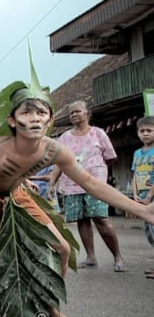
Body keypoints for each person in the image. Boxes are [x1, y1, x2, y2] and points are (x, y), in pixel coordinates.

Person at [0, 82, 154, 317]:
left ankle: (51, 309)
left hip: (17, 196)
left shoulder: (54, 150)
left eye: (41, 113)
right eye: (26, 113)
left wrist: (143, 211)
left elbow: (91, 183)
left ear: (50, 120)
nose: (35, 119)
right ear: (12, 120)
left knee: (62, 248)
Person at [49, 100, 127, 271]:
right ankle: (90, 257)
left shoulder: (98, 134)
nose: (74, 115)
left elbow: (110, 158)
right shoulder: (64, 138)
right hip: (71, 185)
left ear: (87, 113)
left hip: (95, 185)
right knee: (82, 221)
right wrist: (52, 183)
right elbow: (59, 163)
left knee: (101, 219)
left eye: (78, 111)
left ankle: (118, 256)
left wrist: (100, 177)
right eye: (71, 113)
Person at [130, 116, 154, 279]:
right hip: (142, 198)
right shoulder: (137, 153)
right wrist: (135, 194)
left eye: (149, 131)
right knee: (149, 233)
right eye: (142, 131)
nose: (145, 134)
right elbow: (135, 175)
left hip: (152, 199)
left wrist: (149, 197)